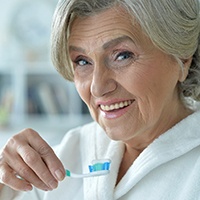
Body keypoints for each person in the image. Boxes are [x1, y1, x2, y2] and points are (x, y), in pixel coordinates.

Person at [0, 0, 200, 199]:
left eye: (122, 56)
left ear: (182, 57)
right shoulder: (69, 153)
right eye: (82, 61)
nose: (97, 87)